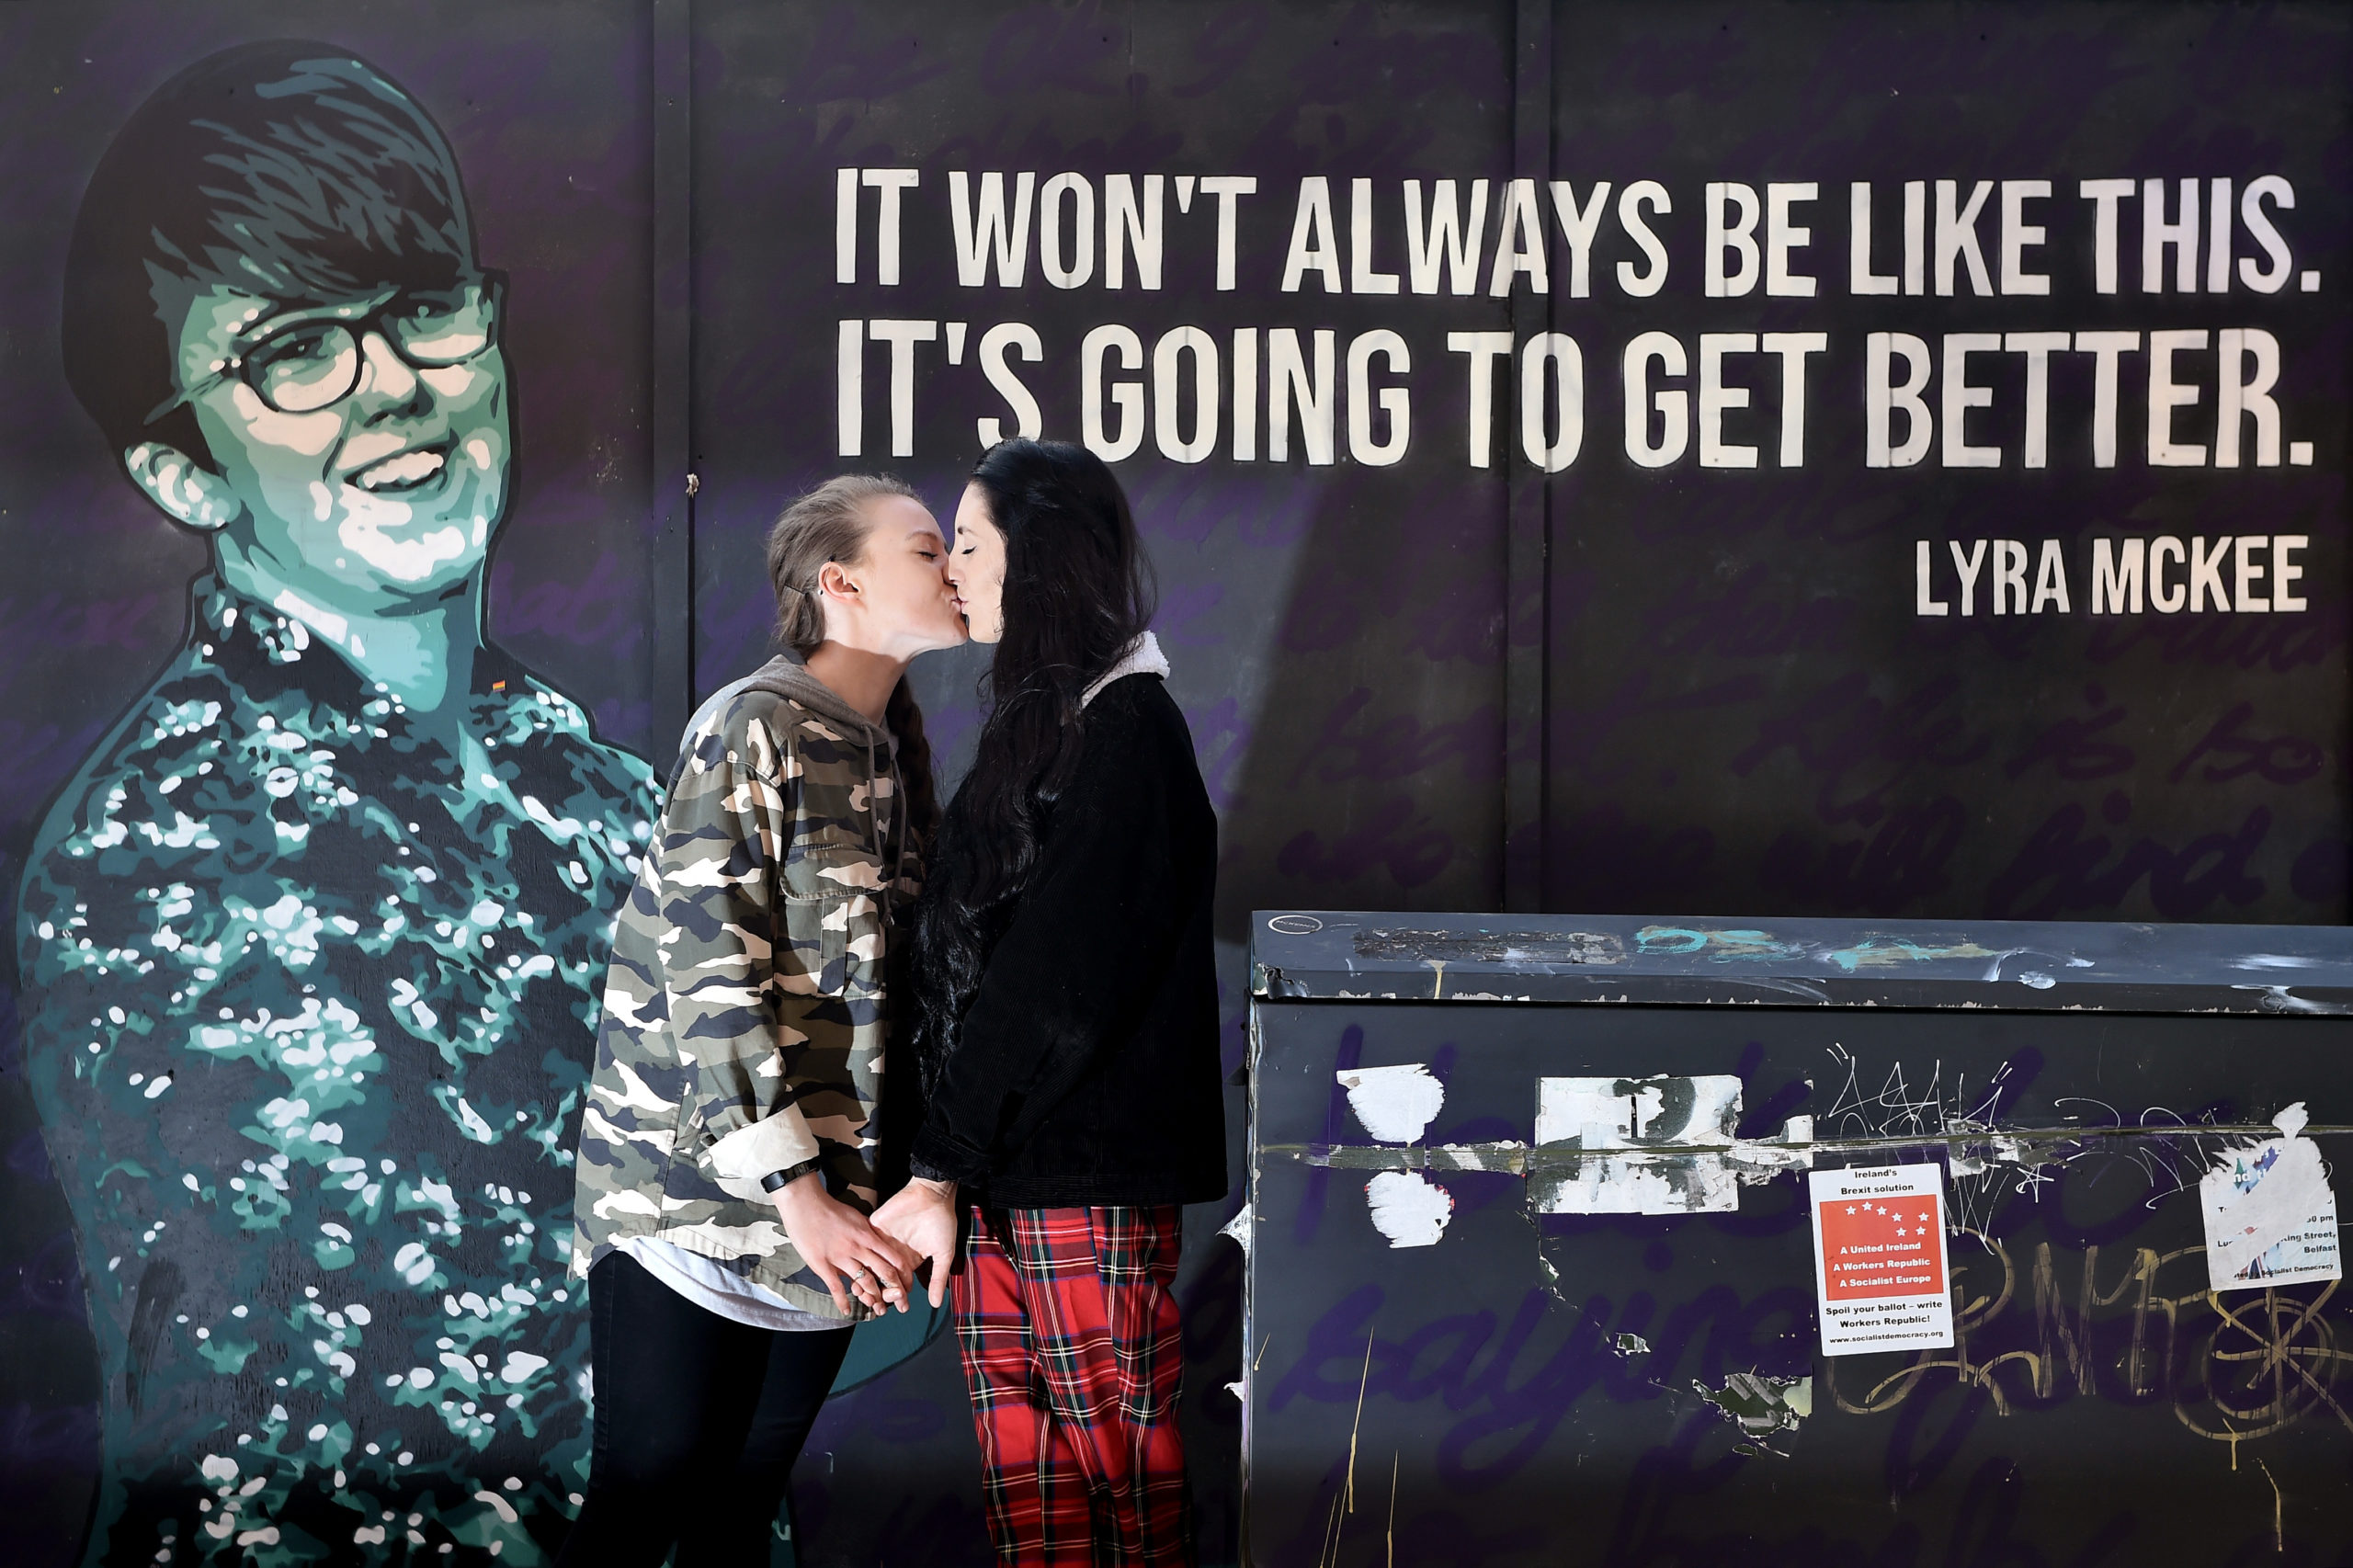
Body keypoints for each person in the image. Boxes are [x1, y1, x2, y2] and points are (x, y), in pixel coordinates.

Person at [17, 42, 657, 1563]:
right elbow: (320, 1421)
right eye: (296, 349)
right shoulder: (165, 850)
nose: (394, 384)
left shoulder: (602, 789)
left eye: (425, 307)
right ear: (183, 472)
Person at [562, 474, 966, 1565]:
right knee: (645, 1502)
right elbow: (706, 968)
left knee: (737, 1520)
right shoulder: (754, 725)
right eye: (929, 548)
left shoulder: (893, 742)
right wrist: (797, 1194)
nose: (956, 564)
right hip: (696, 1204)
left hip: (833, 1220)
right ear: (841, 581)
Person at [873, 439, 1226, 1566]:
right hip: (996, 1181)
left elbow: (1054, 984)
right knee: (1036, 1512)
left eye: (971, 544)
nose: (953, 571)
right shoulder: (1049, 718)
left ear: (1044, 559)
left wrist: (939, 1164)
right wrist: (951, 1164)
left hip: (1076, 1180)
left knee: (1124, 1491)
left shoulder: (1127, 731)